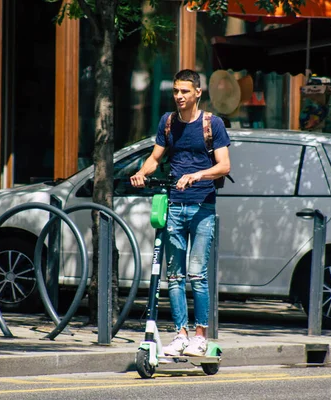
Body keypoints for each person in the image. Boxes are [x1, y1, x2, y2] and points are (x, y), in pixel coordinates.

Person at [130, 69, 231, 356]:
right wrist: (141, 172)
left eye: (185, 91)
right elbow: (154, 157)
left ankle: (200, 336)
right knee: (174, 276)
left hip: (202, 207)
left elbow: (224, 166)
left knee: (197, 274)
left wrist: (197, 176)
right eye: (176, 91)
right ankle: (181, 335)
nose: (179, 96)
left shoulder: (213, 124)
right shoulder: (168, 122)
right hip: (174, 205)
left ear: (198, 92)